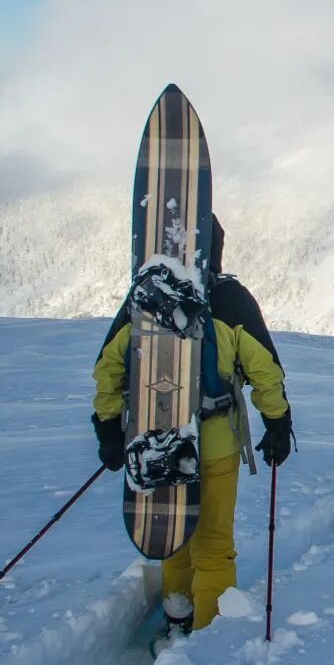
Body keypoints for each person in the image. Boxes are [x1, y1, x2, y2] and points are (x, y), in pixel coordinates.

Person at [92, 216, 294, 639]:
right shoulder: (231, 299)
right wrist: (277, 424)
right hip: (216, 441)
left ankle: (178, 615)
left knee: (173, 532)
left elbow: (109, 369)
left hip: (156, 437)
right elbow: (265, 372)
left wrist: (109, 431)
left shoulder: (144, 296)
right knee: (214, 543)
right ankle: (208, 639)